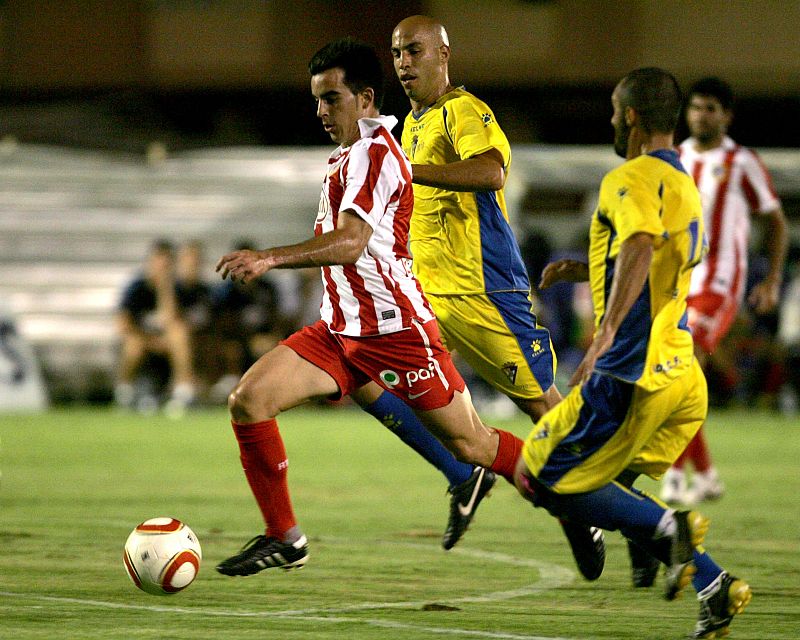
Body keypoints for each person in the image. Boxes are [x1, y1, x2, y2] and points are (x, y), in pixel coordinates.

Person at [214, 38, 533, 577]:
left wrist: (268, 257)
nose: (320, 111)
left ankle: (588, 499)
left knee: (475, 442)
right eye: (315, 100)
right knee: (249, 399)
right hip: (342, 330)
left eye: (331, 99)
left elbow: (350, 242)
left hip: (396, 330)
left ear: (364, 99)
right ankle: (285, 537)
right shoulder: (349, 153)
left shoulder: (378, 152)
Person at [346, 14, 602, 574]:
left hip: (480, 294)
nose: (404, 62)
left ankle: (595, 507)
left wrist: (408, 172)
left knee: (545, 412)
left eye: (414, 51)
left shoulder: (465, 111)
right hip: (424, 295)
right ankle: (463, 471)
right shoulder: (405, 127)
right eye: (396, 54)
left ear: (444, 54)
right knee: (358, 370)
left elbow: (491, 172)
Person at [514, 67, 751, 639]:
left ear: (634, 117)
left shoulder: (629, 176)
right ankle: (716, 588)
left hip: (629, 374)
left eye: (616, 111)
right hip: (680, 375)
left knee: (534, 474)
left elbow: (642, 244)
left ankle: (673, 532)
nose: (612, 120)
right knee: (614, 488)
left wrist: (602, 335)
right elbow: (653, 256)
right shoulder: (684, 181)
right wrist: (585, 268)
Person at [660, 77, 788, 505]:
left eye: (711, 108)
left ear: (726, 116)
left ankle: (676, 476)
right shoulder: (675, 158)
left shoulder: (742, 161)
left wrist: (771, 281)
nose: (701, 115)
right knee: (678, 371)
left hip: (721, 280)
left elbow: (776, 222)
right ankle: (708, 476)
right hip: (680, 282)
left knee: (682, 366)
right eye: (695, 107)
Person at [115, 238, 196, 415]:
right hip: (145, 341)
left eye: (167, 263)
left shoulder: (177, 289)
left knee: (179, 334)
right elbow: (123, 325)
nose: (162, 267)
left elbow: (171, 319)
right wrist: (152, 341)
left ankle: (182, 391)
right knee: (133, 344)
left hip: (168, 343)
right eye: (159, 262)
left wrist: (165, 289)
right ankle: (125, 391)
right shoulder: (136, 289)